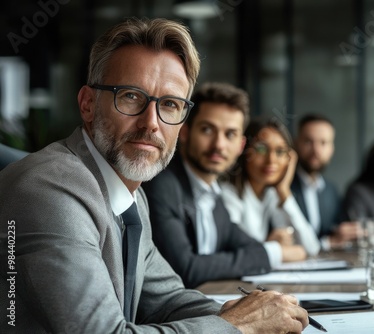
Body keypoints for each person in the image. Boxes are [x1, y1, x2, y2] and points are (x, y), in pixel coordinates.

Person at [0, 18, 308, 333]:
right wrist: (238, 325)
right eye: (131, 96)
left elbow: (166, 300)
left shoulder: (131, 196)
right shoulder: (51, 191)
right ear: (88, 104)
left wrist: (248, 314)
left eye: (170, 104)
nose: (151, 123)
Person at [142, 83, 311, 289]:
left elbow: (251, 247)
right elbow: (186, 269)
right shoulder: (163, 185)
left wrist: (270, 250)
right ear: (184, 132)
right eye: (207, 130)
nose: (219, 145)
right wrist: (276, 252)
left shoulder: (214, 197)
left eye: (230, 134)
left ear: (240, 145)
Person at [221, 116, 320, 257]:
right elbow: (231, 253)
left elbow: (311, 248)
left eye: (280, 152)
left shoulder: (271, 194)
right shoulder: (228, 194)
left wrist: (284, 191)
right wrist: (268, 245)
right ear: (244, 151)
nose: (271, 160)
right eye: (261, 149)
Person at [291, 114, 358, 249]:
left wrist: (342, 232)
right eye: (308, 141)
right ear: (296, 144)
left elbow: (332, 231)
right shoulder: (283, 188)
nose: (316, 150)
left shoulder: (331, 190)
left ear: (331, 149)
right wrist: (327, 243)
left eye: (323, 143)